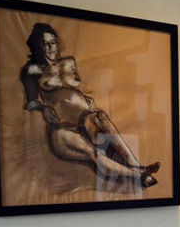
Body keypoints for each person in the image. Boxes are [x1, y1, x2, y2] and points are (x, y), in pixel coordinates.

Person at [20, 23, 160, 189]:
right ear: (38, 46)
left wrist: (83, 98)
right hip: (61, 129)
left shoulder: (68, 62)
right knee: (94, 153)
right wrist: (43, 108)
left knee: (101, 116)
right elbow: (31, 102)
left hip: (83, 120)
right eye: (45, 44)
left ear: (57, 42)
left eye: (53, 42)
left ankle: (136, 166)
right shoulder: (32, 70)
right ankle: (139, 174)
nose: (50, 48)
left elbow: (70, 89)